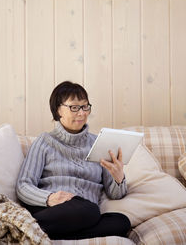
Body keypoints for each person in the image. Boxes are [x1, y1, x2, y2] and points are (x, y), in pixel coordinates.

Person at [16, 81, 131, 240]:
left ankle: (35, 232)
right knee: (89, 211)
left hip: (84, 214)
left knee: (121, 222)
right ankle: (22, 228)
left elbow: (115, 194)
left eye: (85, 107)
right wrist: (49, 198)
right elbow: (23, 185)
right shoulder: (45, 141)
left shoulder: (98, 143)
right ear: (58, 110)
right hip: (52, 210)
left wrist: (119, 178)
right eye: (74, 107)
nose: (82, 113)